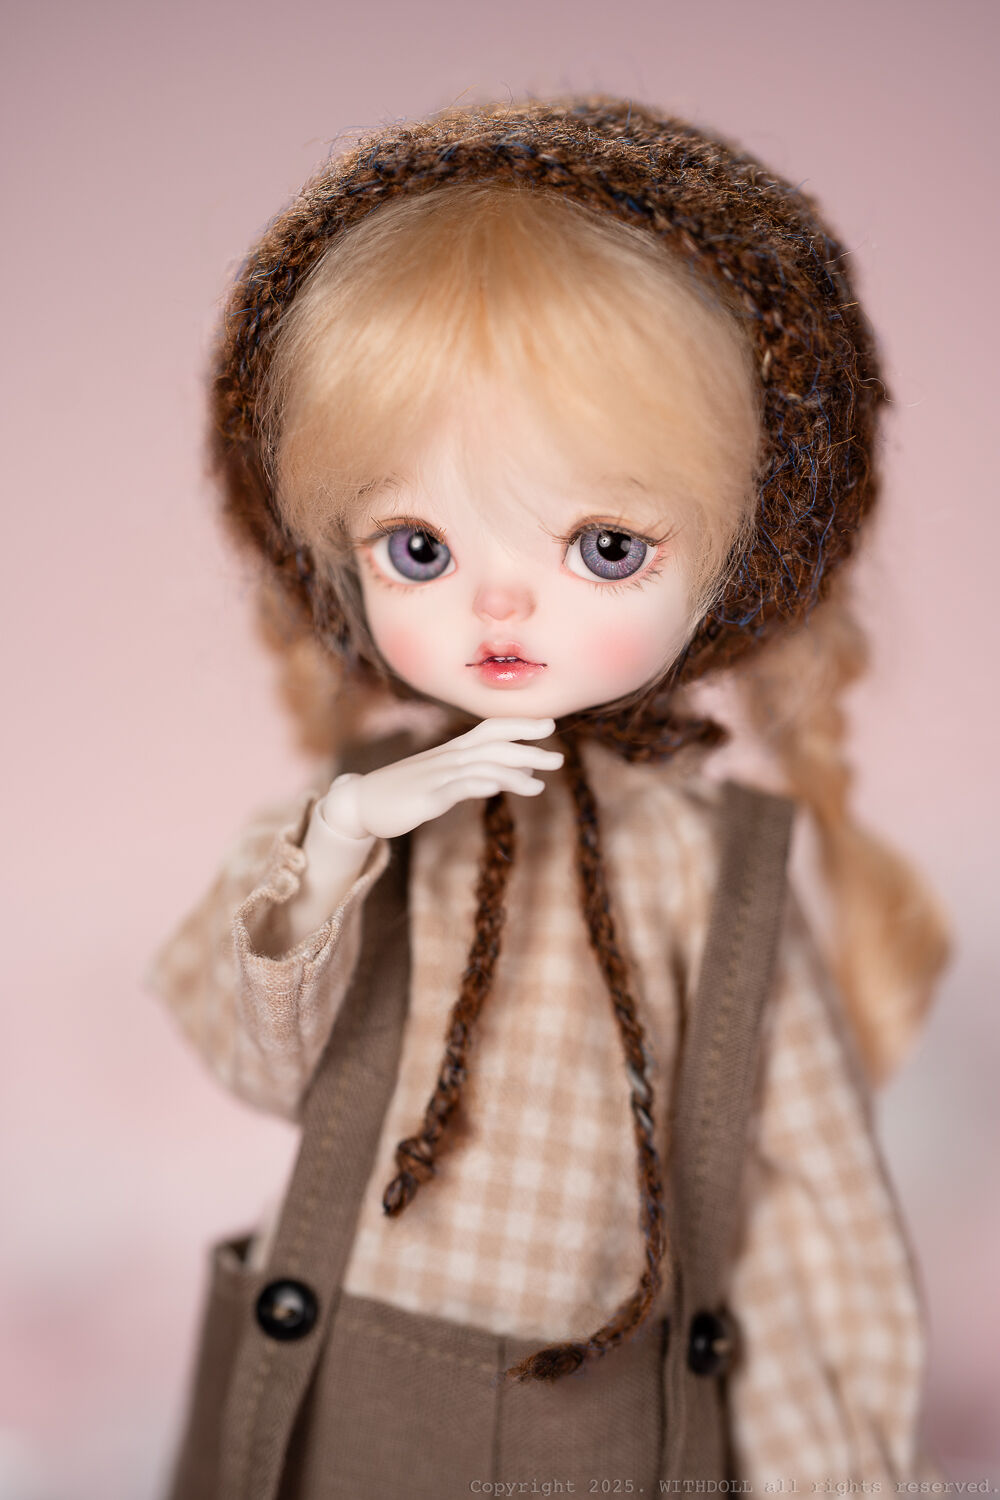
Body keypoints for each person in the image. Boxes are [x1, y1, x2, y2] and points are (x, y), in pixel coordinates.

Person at [146, 95, 949, 1497]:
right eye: (419, 545)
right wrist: (339, 846)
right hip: (347, 1382)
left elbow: (809, 1213)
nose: (500, 605)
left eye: (606, 546)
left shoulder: (708, 870)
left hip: (605, 1415)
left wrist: (840, 1470)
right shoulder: (360, 825)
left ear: (745, 552)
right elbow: (260, 1063)